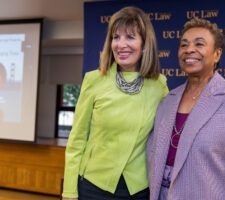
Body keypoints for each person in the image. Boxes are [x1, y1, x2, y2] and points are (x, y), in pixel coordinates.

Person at [147, 18, 225, 200]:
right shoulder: (168, 100)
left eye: (199, 44)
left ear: (217, 54)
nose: (189, 50)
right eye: (183, 45)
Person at [62, 6, 168, 200]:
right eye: (115, 37)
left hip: (138, 189)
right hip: (93, 186)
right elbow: (76, 141)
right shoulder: (94, 80)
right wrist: (69, 193)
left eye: (130, 37)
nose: (121, 44)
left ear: (145, 44)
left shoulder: (159, 86)